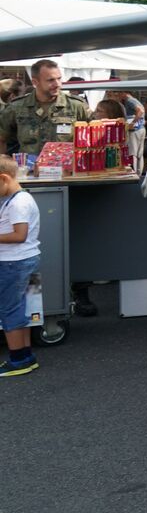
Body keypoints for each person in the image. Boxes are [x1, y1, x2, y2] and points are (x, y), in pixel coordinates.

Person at [0, 59, 96, 315]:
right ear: (35, 82)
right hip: (28, 191)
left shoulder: (76, 107)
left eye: (59, 78)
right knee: (30, 242)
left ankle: (80, 290)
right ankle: (34, 300)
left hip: (68, 187)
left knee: (74, 237)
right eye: (50, 80)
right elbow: (2, 139)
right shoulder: (16, 109)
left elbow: (90, 141)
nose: (57, 84)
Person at [0, 155, 41, 376]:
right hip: (23, 261)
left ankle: (18, 360)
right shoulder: (18, 198)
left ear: (4, 178)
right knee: (20, 308)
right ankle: (26, 355)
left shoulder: (18, 203)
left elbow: (19, 235)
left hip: (13, 262)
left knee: (9, 310)